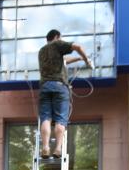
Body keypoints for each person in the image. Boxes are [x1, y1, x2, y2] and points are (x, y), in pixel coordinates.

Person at [38, 29, 92, 159]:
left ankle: (45, 147)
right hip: (59, 86)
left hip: (45, 87)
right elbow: (77, 46)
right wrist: (86, 60)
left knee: (45, 118)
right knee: (61, 119)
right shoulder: (57, 44)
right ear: (56, 37)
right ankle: (57, 148)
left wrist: (77, 58)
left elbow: (64, 61)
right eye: (61, 38)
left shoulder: (42, 51)